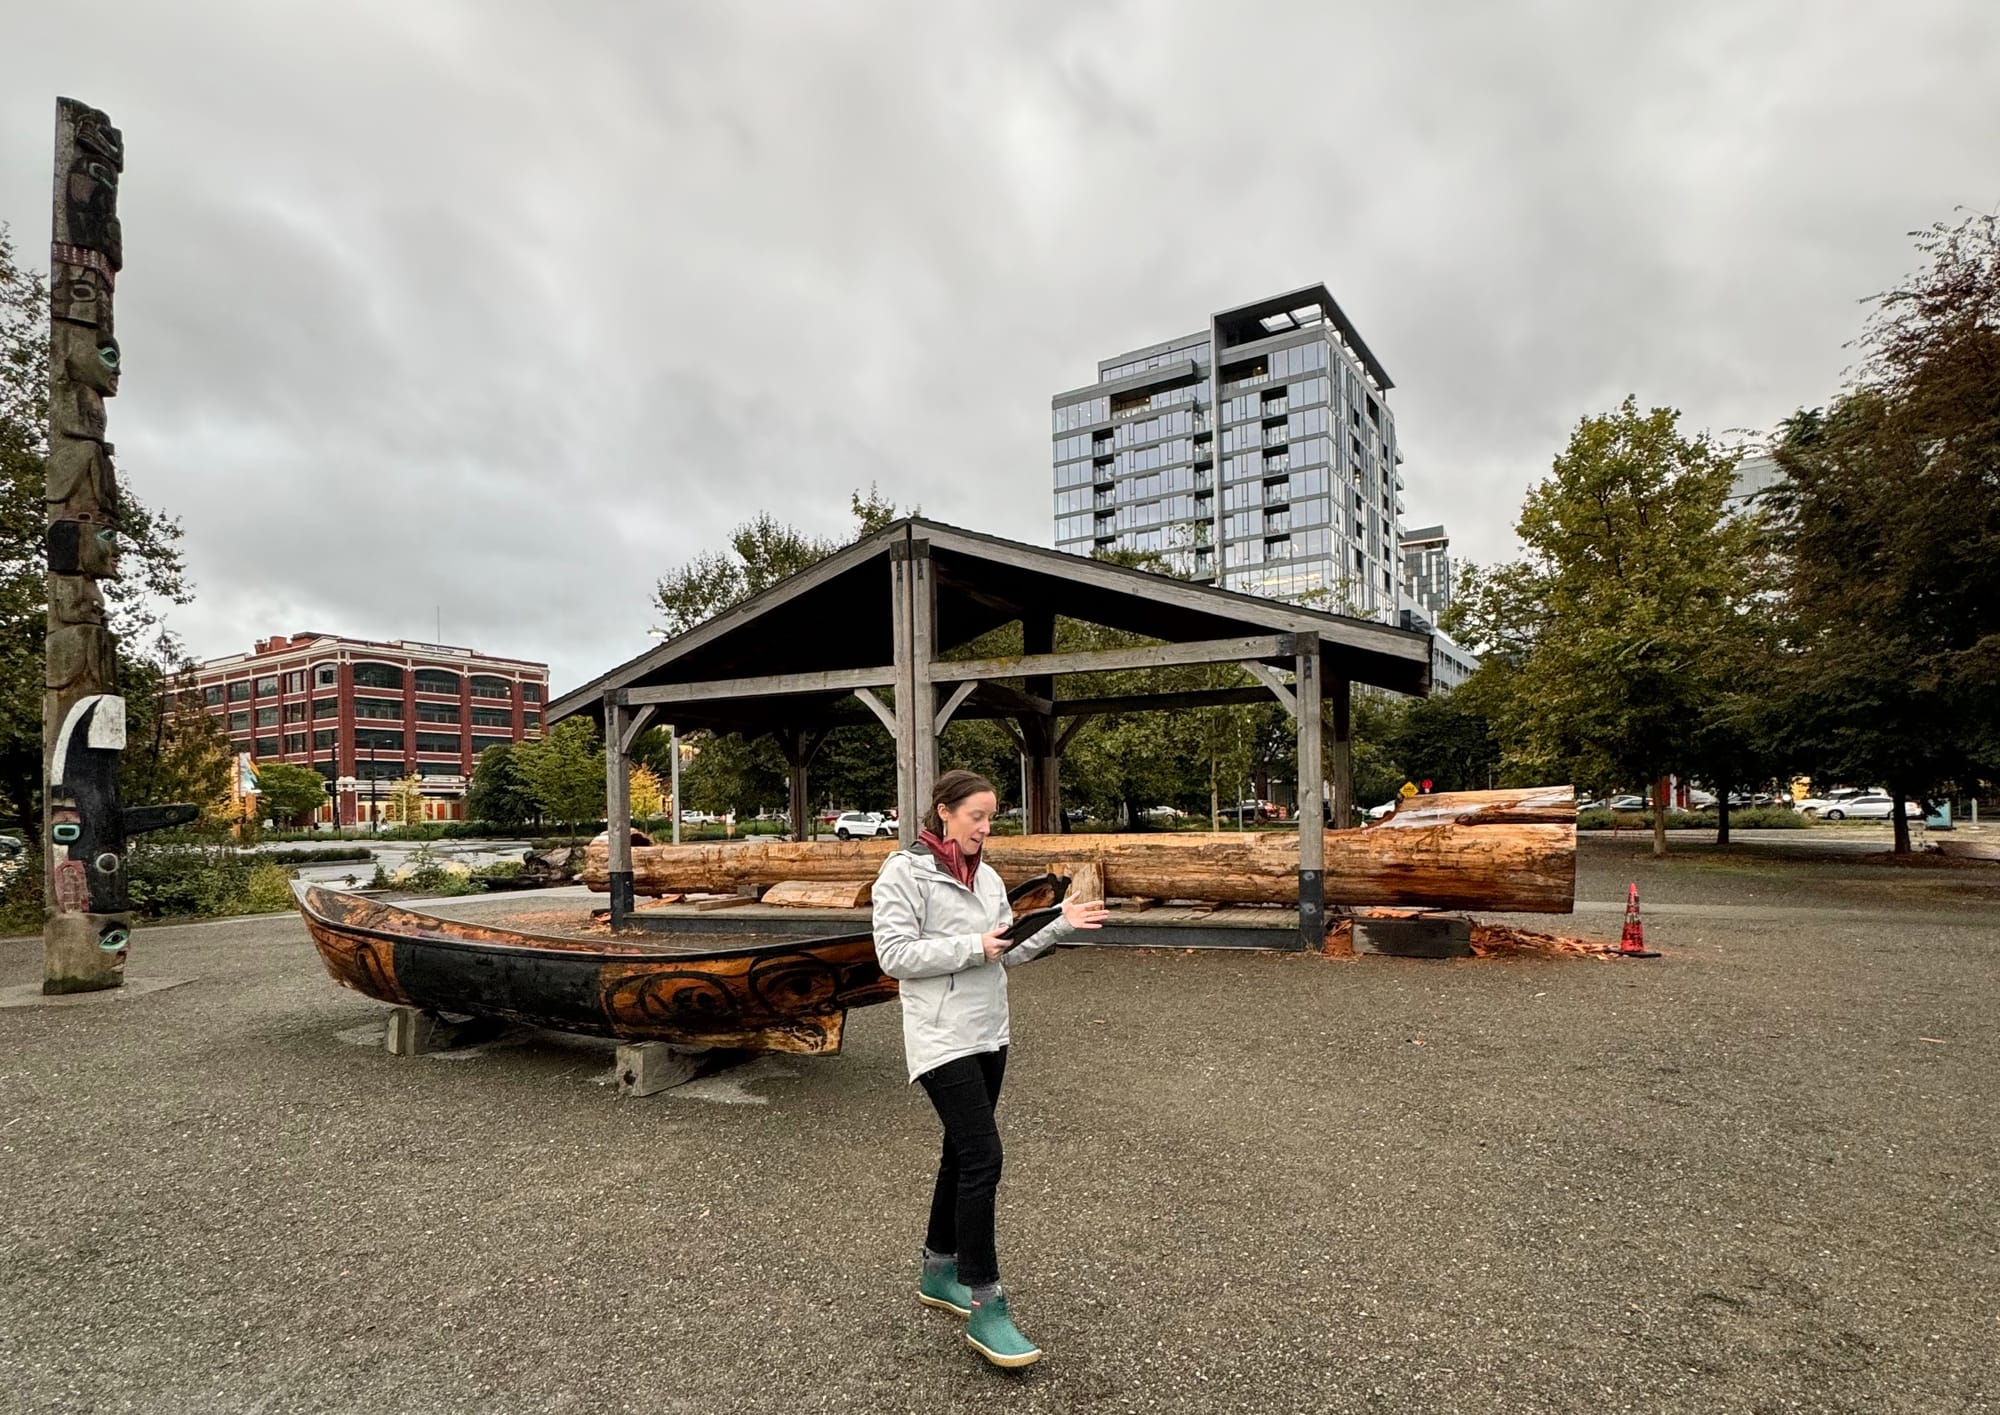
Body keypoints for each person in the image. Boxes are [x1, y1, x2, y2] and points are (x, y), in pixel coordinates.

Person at [872, 769, 1109, 1369]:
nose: (985, 826)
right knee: (984, 1157)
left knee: (960, 1153)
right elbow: (894, 956)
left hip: (988, 1033)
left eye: (991, 817)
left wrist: (1057, 923)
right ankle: (986, 1304)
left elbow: (1011, 949)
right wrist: (975, 946)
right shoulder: (905, 873)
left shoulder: (990, 878)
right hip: (940, 1036)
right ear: (944, 813)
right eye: (977, 815)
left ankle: (938, 1271)